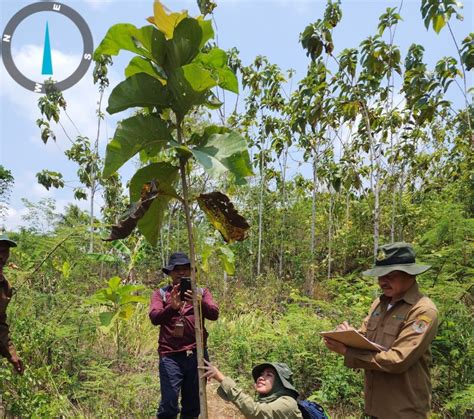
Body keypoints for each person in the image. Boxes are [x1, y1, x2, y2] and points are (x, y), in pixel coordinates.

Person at [324, 242, 438, 418]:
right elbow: (364, 339)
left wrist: (347, 352)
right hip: (375, 407)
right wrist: (346, 335)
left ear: (410, 274)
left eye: (390, 275)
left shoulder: (422, 310)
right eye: (380, 275)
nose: (382, 281)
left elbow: (398, 360)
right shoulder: (380, 303)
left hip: (404, 411)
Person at [149, 252, 219, 419]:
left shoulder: (202, 292)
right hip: (170, 355)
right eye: (176, 269)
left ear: (191, 272)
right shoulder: (161, 294)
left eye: (185, 269)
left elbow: (214, 314)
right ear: (170, 273)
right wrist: (172, 308)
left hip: (196, 354)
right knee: (169, 402)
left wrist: (199, 302)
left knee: (193, 404)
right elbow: (154, 317)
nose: (181, 273)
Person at [200, 360, 303, 418]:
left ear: (279, 383)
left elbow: (255, 412)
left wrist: (221, 378)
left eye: (269, 375)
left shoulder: (288, 403)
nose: (261, 377)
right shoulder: (267, 401)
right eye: (261, 374)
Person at [0, 234, 23, 375]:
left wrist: (11, 354)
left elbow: (0, 324)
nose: (1, 257)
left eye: (4, 252)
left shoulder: (5, 287)